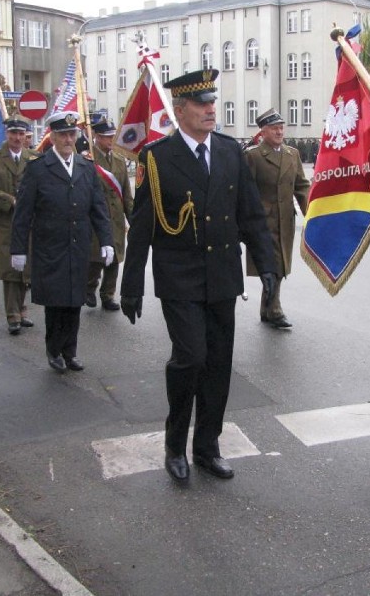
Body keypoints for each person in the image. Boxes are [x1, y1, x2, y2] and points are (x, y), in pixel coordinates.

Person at [120, 69, 277, 482]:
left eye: (213, 102)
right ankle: (175, 445)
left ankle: (207, 445)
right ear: (180, 109)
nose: (211, 109)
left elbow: (250, 214)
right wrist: (131, 284)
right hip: (180, 276)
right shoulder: (155, 158)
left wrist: (268, 265)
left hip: (222, 275)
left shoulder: (228, 152)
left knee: (219, 364)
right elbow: (142, 226)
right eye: (202, 104)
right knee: (191, 356)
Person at [9, 111, 114, 371]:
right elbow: (23, 214)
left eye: (72, 134)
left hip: (78, 247)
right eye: (63, 135)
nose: (69, 139)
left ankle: (71, 351)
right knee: (56, 303)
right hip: (50, 248)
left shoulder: (85, 168)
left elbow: (98, 208)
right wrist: (18, 250)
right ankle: (54, 349)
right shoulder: (38, 169)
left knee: (75, 301)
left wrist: (106, 241)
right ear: (53, 137)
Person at [244, 108, 310, 328]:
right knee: (271, 264)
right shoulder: (253, 155)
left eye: (281, 127)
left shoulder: (292, 154)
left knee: (280, 264)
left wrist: (310, 212)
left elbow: (301, 186)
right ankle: (274, 309)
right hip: (264, 221)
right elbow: (246, 190)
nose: (280, 131)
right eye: (274, 128)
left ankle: (266, 307)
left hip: (285, 220)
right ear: (263, 131)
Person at [0, 118, 39, 335]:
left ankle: (22, 310)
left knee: (25, 267)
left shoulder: (32, 158)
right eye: (13, 134)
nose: (17, 138)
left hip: (29, 222)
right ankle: (12, 315)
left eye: (21, 134)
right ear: (7, 134)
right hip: (6, 222)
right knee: (10, 269)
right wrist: (9, 200)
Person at [85, 116, 133, 311]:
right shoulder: (88, 160)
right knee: (96, 257)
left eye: (112, 136)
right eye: (106, 137)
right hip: (95, 218)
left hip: (116, 218)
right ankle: (89, 287)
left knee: (114, 258)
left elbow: (127, 195)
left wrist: (133, 219)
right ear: (96, 136)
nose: (110, 140)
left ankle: (108, 294)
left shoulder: (120, 162)